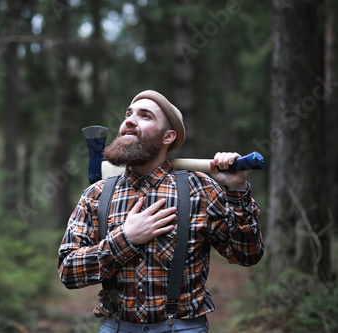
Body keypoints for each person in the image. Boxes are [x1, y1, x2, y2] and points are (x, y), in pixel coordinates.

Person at [58, 90, 264, 332]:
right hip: (116, 327)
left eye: (145, 116)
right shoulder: (97, 194)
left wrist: (237, 190)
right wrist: (125, 239)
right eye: (128, 114)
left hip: (182, 327)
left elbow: (247, 255)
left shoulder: (199, 188)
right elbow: (68, 271)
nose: (129, 120)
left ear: (168, 136)